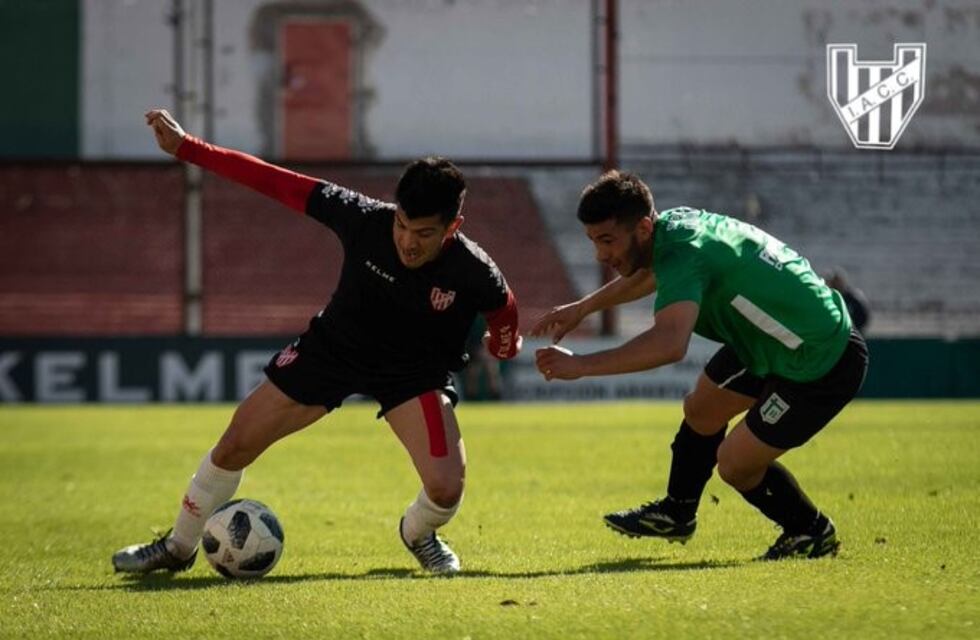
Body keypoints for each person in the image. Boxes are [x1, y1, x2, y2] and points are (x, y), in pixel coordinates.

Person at [112, 109, 523, 576]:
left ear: (452, 226)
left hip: (413, 375)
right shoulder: (364, 218)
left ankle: (419, 533)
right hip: (332, 352)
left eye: (424, 233)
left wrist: (505, 347)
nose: (408, 241)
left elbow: (505, 310)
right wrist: (189, 149)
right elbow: (274, 180)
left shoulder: (475, 268)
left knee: (447, 488)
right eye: (402, 226)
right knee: (233, 446)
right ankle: (178, 547)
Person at [531, 171, 868, 560]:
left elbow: (669, 344)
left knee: (734, 464)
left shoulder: (683, 251)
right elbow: (651, 274)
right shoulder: (671, 228)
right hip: (765, 341)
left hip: (820, 358)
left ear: (642, 227)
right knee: (701, 409)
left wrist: (583, 366)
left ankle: (811, 531)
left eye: (607, 241)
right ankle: (677, 512)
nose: (600, 255)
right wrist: (583, 307)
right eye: (593, 241)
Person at [824, 267, 871, 333]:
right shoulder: (830, 298)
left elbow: (863, 317)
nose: (830, 285)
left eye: (833, 282)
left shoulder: (853, 298)